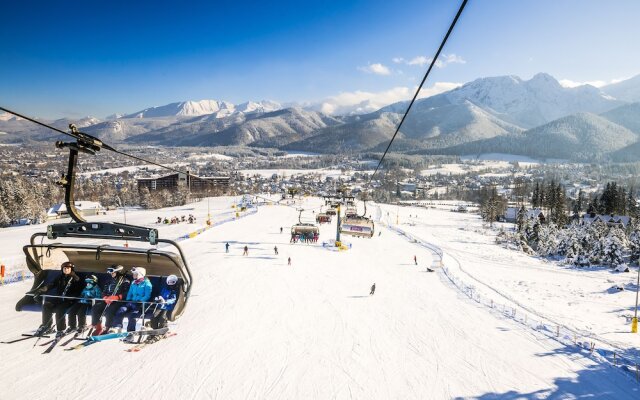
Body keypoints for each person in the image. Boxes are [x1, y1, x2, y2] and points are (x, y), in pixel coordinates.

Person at [32, 261, 83, 337]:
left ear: (71, 269)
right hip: (59, 298)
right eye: (64, 268)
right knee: (46, 305)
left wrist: (71, 297)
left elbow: (79, 291)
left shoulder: (76, 279)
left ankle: (60, 329)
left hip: (69, 300)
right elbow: (51, 285)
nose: (66, 270)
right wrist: (40, 290)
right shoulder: (60, 277)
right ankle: (46, 326)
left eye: (68, 268)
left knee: (59, 309)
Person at [111, 267, 152, 336]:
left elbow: (147, 296)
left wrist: (139, 300)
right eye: (133, 274)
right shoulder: (133, 283)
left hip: (140, 304)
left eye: (135, 274)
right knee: (121, 310)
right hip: (131, 302)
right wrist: (128, 299)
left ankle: (130, 331)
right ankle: (117, 326)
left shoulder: (147, 284)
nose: (133, 275)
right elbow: (129, 293)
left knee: (132, 315)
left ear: (140, 274)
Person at [90, 265, 130, 335]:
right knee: (96, 308)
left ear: (117, 272)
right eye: (110, 273)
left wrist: (117, 297)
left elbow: (127, 293)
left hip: (118, 301)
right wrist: (105, 297)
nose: (111, 274)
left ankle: (108, 327)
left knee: (109, 310)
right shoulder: (109, 281)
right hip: (107, 300)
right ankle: (97, 326)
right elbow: (104, 291)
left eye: (113, 272)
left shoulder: (125, 281)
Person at [146, 275, 179, 343]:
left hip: (168, 307)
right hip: (161, 306)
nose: (170, 284)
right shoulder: (165, 288)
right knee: (154, 316)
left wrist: (166, 301)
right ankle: (154, 331)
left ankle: (162, 332)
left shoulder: (174, 291)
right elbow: (161, 295)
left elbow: (173, 299)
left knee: (163, 318)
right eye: (169, 282)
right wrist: (158, 298)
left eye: (172, 282)